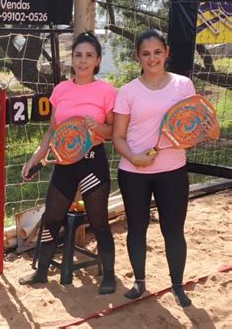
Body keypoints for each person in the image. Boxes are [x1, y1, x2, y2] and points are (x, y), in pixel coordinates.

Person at [20, 32, 116, 294]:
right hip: (64, 163)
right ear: (71, 59)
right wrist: (33, 160)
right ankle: (40, 272)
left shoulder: (107, 91)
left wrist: (97, 127)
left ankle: (108, 275)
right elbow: (52, 132)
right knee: (52, 217)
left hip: (92, 161)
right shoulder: (61, 89)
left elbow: (114, 132)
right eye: (78, 55)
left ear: (97, 60)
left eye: (89, 56)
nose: (83, 61)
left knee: (98, 221)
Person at [112, 29, 195, 307]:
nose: (152, 58)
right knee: (137, 228)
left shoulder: (183, 85)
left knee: (173, 230)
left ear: (167, 52)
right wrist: (134, 158)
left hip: (173, 171)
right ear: (138, 56)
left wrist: (203, 131)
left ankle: (177, 285)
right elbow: (118, 137)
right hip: (134, 173)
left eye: (157, 52)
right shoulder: (127, 92)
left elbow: (190, 126)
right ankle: (139, 282)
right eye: (146, 53)